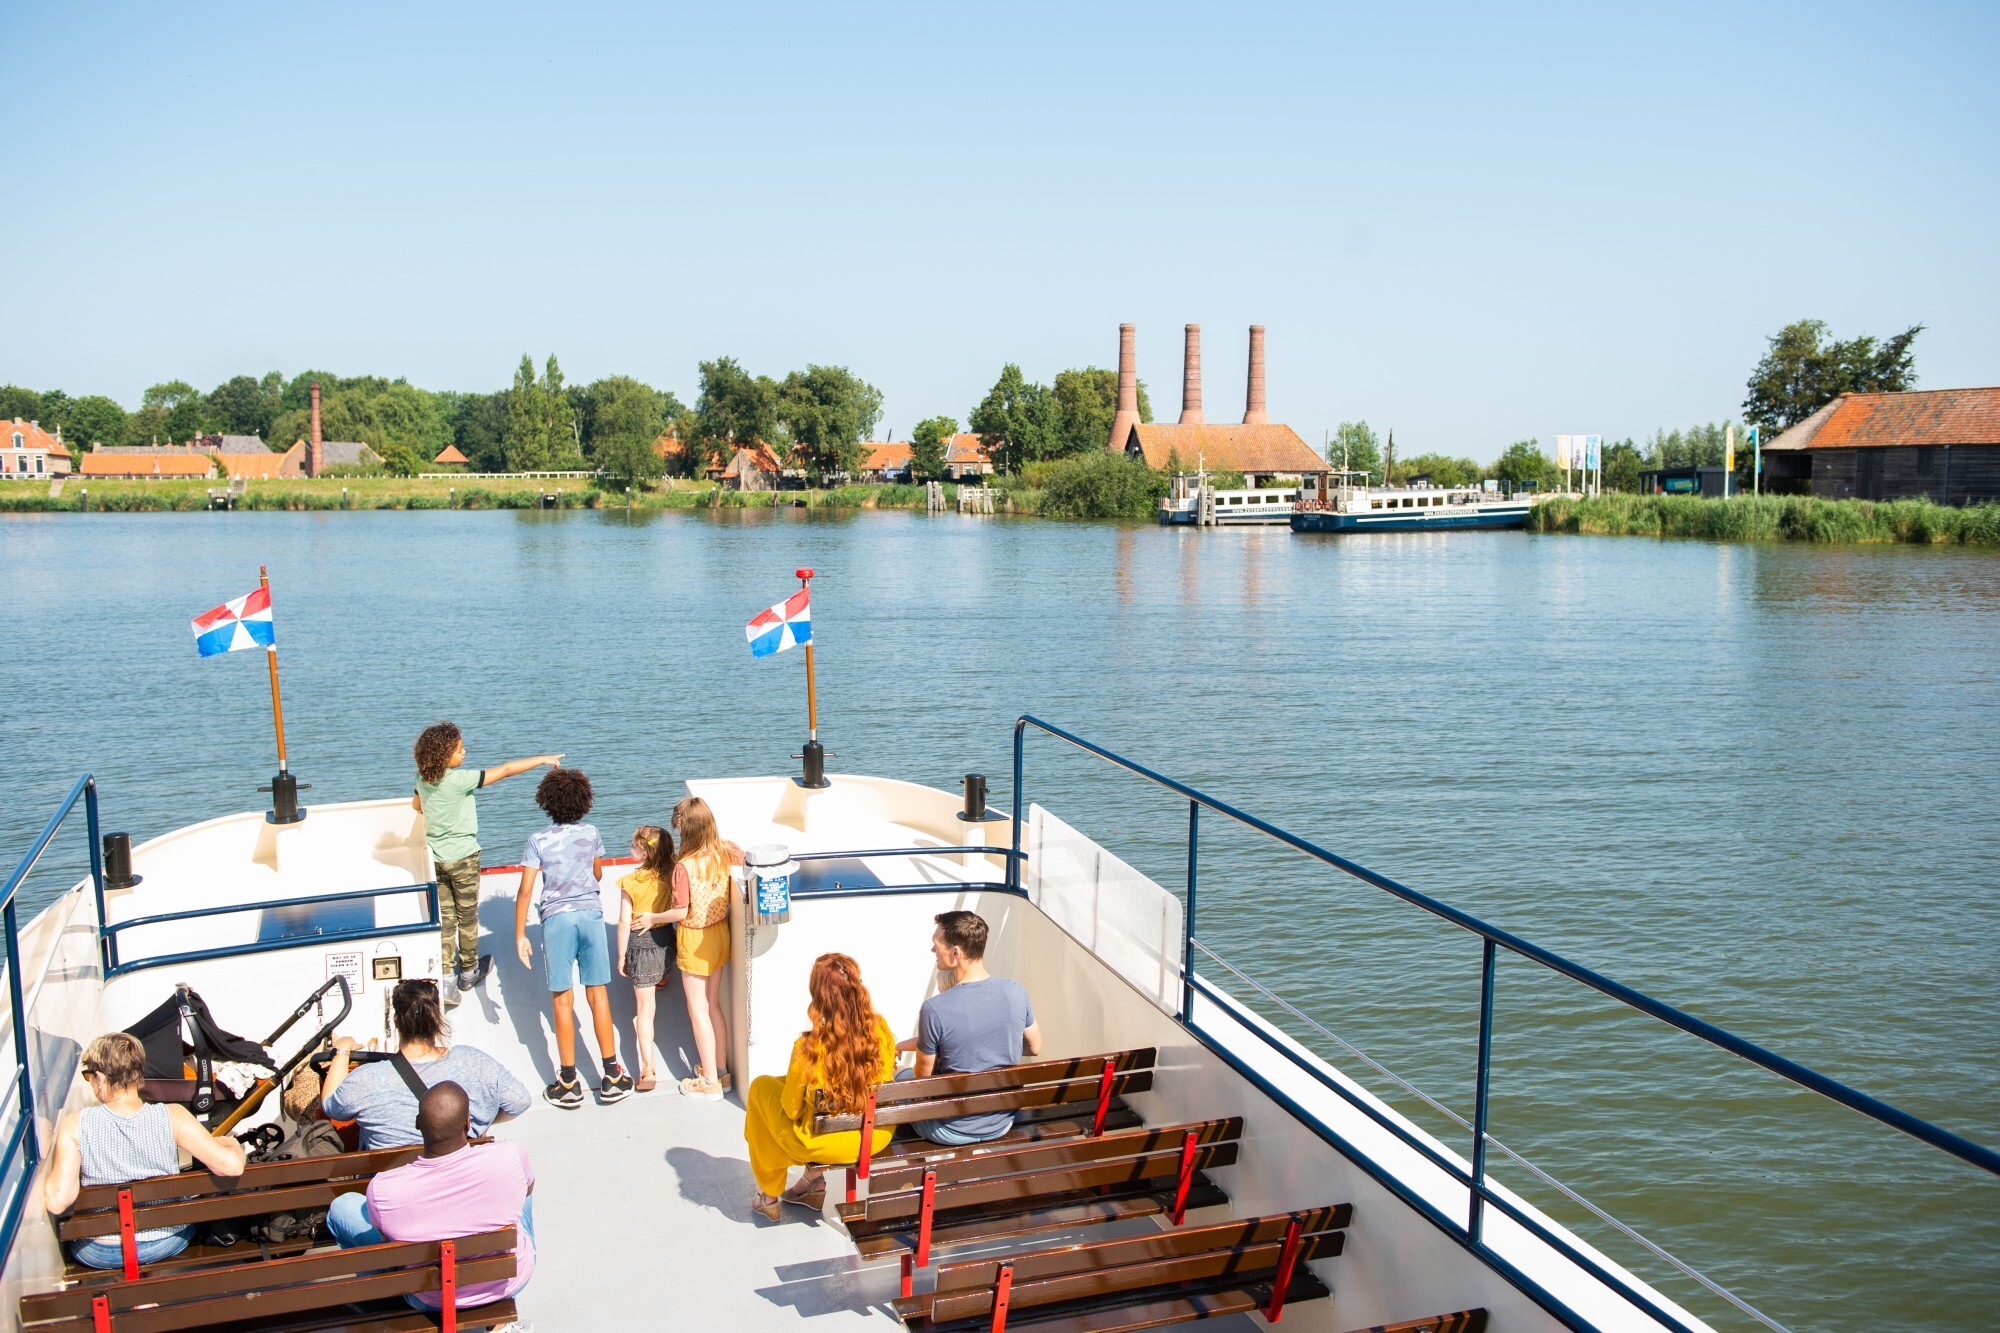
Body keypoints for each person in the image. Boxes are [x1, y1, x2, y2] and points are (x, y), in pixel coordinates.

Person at [326, 1081, 535, 1318]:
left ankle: (384, 1295)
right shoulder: (510, 1154)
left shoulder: (384, 1188)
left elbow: (384, 1237)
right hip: (510, 1282)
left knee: (343, 1206)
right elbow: (528, 1190)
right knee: (522, 1188)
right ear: (467, 1123)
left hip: (430, 1299)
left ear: (418, 1124)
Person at [42, 1032, 247, 1269]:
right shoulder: (172, 1116)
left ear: (101, 1077)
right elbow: (231, 1166)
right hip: (164, 1240)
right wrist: (232, 1144)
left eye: (89, 1076)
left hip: (99, 1250)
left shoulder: (75, 1124)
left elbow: (57, 1202)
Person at [410, 722, 563, 1008]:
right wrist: (543, 759)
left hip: (436, 859)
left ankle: (447, 979)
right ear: (445, 756)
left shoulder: (422, 779)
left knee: (446, 917)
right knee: (467, 916)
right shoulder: (461, 779)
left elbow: (417, 807)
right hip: (464, 858)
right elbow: (505, 770)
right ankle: (468, 971)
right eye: (459, 750)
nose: (464, 752)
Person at [743, 953, 896, 1221]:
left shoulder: (808, 1048)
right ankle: (811, 1183)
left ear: (818, 995)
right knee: (781, 1085)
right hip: (875, 1137)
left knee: (760, 1092)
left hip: (823, 1143)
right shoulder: (880, 1029)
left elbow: (791, 1110)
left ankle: (768, 1196)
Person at [515, 766, 631, 1107]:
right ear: (584, 801)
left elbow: (525, 891)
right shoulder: (592, 833)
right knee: (598, 995)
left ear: (546, 802)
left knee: (562, 1000)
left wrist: (520, 934)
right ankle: (612, 1074)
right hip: (590, 915)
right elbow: (597, 873)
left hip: (557, 920)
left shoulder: (537, 840)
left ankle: (568, 1082)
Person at [321, 979, 531, 1148]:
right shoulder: (474, 1061)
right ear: (437, 1018)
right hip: (458, 1180)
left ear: (396, 1021)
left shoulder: (367, 1078)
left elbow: (331, 1106)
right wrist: (472, 1121)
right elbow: (520, 1101)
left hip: (393, 1186)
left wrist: (342, 1049)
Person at [898, 910, 1041, 1145]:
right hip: (1001, 1122)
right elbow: (1034, 1047)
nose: (933, 950)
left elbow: (922, 1081)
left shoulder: (934, 1008)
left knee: (899, 1076)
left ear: (955, 953)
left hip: (948, 1129)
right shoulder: (1016, 991)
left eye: (936, 944)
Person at [668, 796, 743, 1101]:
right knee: (713, 1006)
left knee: (697, 1010)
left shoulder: (683, 868)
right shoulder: (726, 852)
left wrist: (651, 918)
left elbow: (680, 911)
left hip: (695, 939)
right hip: (720, 933)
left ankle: (709, 1081)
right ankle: (721, 1072)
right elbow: (745, 861)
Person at [615, 825, 677, 1093]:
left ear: (644, 853)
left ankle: (648, 1069)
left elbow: (623, 922)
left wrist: (621, 955)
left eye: (633, 845)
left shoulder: (629, 882)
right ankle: (662, 976)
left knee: (644, 1011)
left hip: (640, 948)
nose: (630, 847)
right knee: (662, 967)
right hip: (667, 943)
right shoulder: (672, 874)